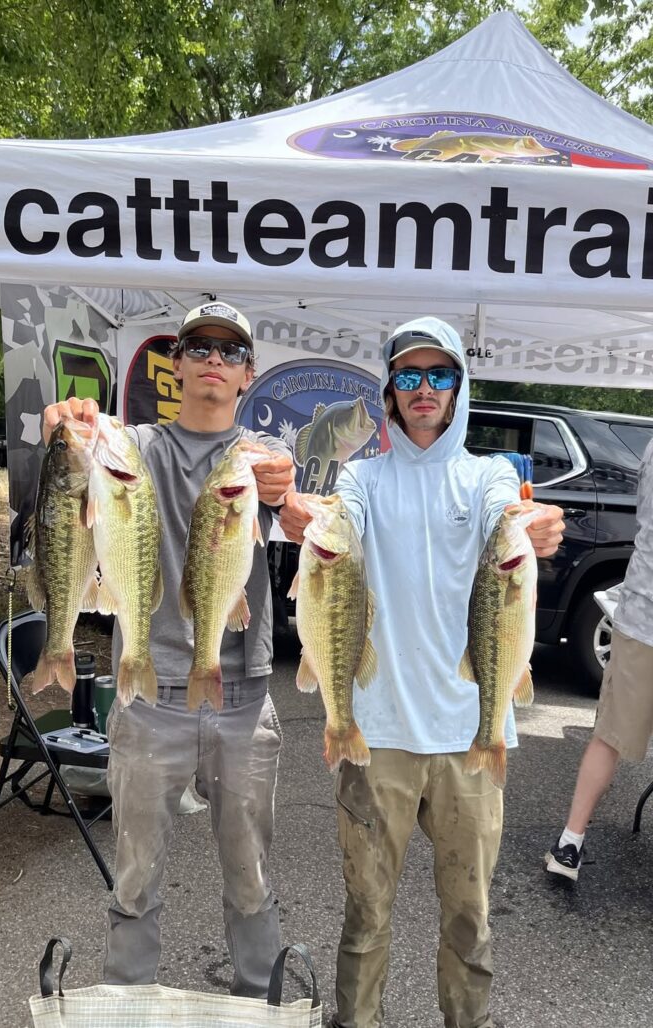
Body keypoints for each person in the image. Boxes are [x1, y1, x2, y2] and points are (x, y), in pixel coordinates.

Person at [280, 317, 565, 1028]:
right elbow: (333, 518)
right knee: (366, 917)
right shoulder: (363, 478)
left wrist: (535, 529)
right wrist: (297, 513)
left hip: (473, 737)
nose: (425, 389)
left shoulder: (490, 473)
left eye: (440, 374)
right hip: (376, 737)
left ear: (460, 385)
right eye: (409, 376)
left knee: (469, 921)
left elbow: (514, 516)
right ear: (390, 391)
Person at [43, 301, 295, 997]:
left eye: (231, 351)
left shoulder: (262, 460)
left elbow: (290, 502)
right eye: (200, 346)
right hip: (146, 698)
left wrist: (287, 493)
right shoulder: (135, 447)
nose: (215, 358)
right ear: (175, 364)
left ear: (248, 376)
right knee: (136, 876)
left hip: (242, 700)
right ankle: (123, 1001)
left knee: (252, 881)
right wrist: (66, 422)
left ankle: (260, 1003)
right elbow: (74, 436)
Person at [546, 436, 653, 881]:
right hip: (643, 614)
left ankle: (570, 843)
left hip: (644, 615)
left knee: (609, 735)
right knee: (608, 736)